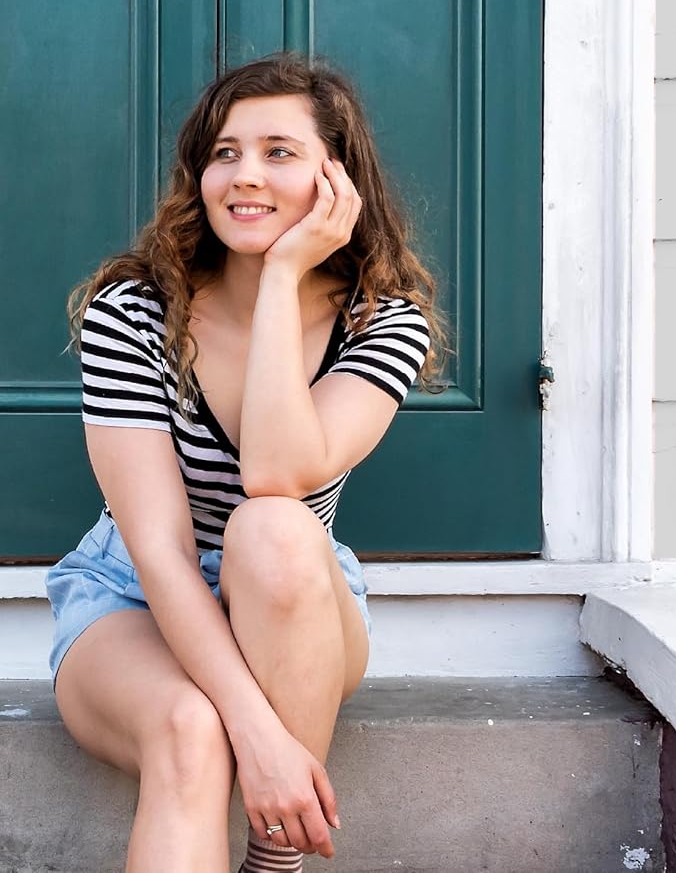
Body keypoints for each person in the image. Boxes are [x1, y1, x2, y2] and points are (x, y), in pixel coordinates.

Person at [46, 53, 447, 872]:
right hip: (133, 593)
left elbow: (277, 474)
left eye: (279, 152)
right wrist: (257, 736)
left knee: (272, 526)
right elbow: (157, 549)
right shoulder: (132, 314)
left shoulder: (382, 323)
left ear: (337, 179)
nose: (244, 175)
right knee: (192, 733)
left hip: (292, 593)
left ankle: (275, 858)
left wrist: (282, 277)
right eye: (224, 153)